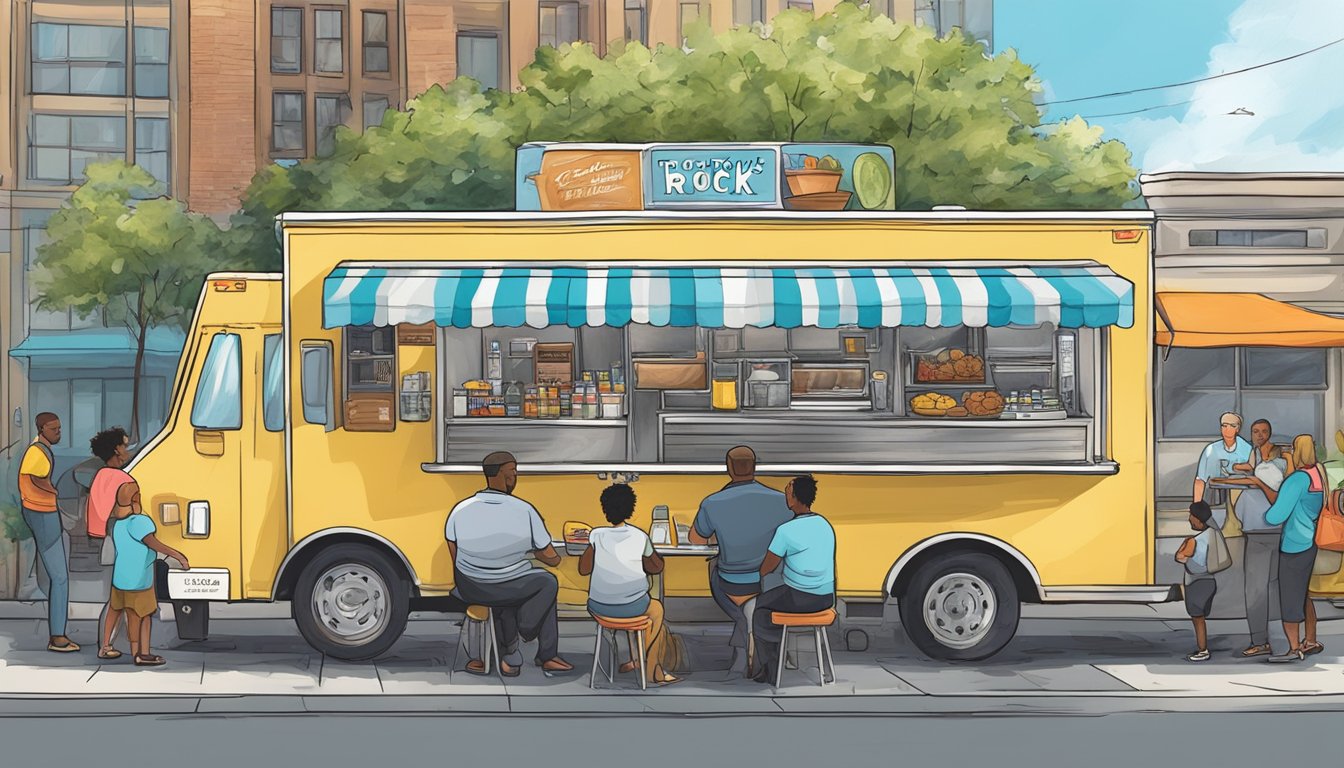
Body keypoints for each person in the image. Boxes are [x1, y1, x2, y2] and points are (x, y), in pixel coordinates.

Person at [445, 451, 574, 677]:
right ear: (503, 476)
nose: (515, 476)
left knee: (507, 597)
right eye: (513, 472)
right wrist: (554, 558)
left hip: (470, 586)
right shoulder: (524, 510)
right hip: (509, 586)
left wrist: (482, 565)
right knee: (546, 583)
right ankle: (538, 644)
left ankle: (508, 656)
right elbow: (549, 556)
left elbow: (453, 551)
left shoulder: (460, 509)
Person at [689, 445, 792, 677]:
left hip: (731, 585)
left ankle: (743, 649)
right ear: (755, 468)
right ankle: (758, 645)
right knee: (757, 601)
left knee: (713, 566)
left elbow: (695, 538)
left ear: (729, 469)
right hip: (769, 584)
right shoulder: (781, 501)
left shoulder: (712, 502)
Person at [578, 483, 680, 685]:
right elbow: (657, 566)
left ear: (605, 510)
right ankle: (653, 671)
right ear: (630, 509)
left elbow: (583, 569)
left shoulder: (596, 535)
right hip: (633, 607)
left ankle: (634, 660)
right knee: (655, 610)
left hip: (598, 607)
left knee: (632, 605)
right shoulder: (639, 536)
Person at [751, 475, 836, 683]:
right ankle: (780, 659)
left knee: (761, 609)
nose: (785, 497)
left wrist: (757, 571)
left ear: (795, 498)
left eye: (788, 493)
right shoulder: (824, 524)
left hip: (800, 598)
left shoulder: (786, 530)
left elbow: (766, 568)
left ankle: (770, 668)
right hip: (825, 598)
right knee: (775, 598)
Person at [109, 469, 190, 666]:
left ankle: (131, 651)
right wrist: (179, 556)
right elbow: (154, 544)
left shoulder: (118, 524)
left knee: (128, 614)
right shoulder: (140, 522)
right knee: (143, 617)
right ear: (137, 498)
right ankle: (141, 653)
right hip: (139, 580)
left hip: (120, 579)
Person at [17, 412, 77, 653]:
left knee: (57, 576)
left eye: (60, 428)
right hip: (42, 513)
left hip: (41, 511)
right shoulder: (37, 452)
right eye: (54, 429)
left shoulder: (39, 449)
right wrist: (52, 490)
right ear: (42, 429)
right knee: (60, 577)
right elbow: (31, 476)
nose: (58, 432)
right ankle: (58, 637)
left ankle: (58, 633)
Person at [1264, 434, 1326, 663]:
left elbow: (1275, 516)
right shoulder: (1319, 474)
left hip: (1294, 543)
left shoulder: (1297, 479)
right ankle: (1311, 640)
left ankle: (1293, 648)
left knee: (1290, 596)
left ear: (1296, 451)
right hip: (1312, 540)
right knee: (1303, 593)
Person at [1230, 419, 1288, 657]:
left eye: (1264, 431)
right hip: (1258, 528)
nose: (1259, 435)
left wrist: (1251, 480)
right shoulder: (1256, 454)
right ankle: (1270, 640)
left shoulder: (1281, 458)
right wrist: (1236, 469)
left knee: (1258, 589)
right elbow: (1250, 470)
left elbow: (1274, 490)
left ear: (1270, 433)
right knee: (1264, 587)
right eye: (1255, 432)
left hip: (1267, 529)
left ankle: (1266, 640)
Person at [89, 427, 137, 660]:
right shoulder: (123, 479)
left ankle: (116, 643)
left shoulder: (100, 476)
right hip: (122, 545)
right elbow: (129, 514)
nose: (127, 450)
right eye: (125, 445)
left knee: (116, 598)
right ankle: (110, 645)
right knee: (121, 599)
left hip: (106, 542)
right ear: (116, 449)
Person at [1175, 501, 1218, 663]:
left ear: (1198, 518)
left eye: (1191, 516)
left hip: (1196, 581)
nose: (1189, 520)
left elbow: (1180, 558)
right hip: (1211, 579)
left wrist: (1183, 544)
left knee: (1197, 617)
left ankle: (1202, 649)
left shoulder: (1194, 541)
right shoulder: (1213, 534)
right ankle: (1203, 648)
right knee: (1201, 615)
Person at [1192, 412, 1252, 504]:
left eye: (1232, 425)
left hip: (1241, 497)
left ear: (1238, 429)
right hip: (1214, 496)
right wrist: (1196, 506)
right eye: (1224, 425)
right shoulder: (1211, 449)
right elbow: (1200, 479)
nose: (1227, 429)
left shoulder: (1247, 449)